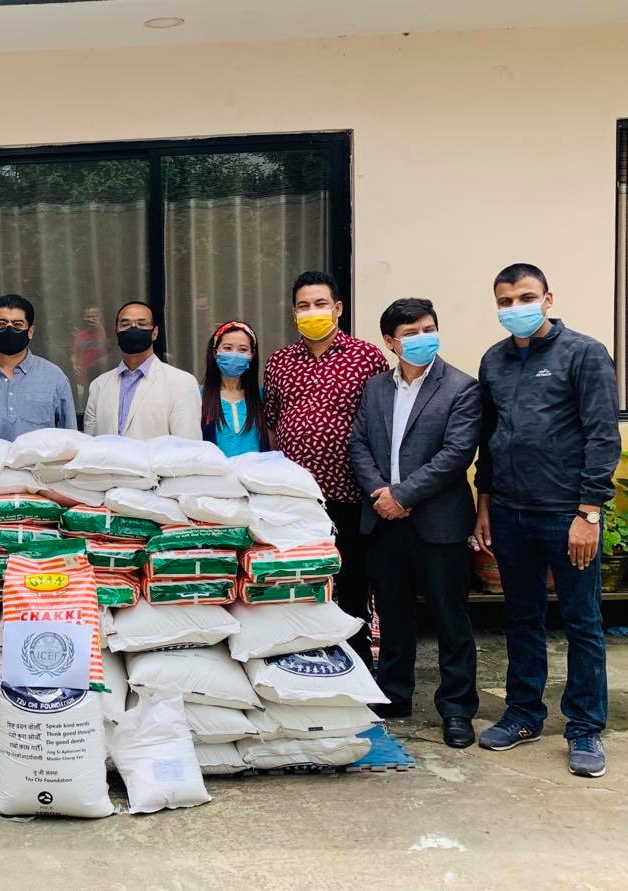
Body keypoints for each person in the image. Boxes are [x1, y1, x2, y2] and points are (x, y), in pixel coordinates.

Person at [472, 263, 618, 778]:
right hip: (510, 512)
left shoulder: (585, 353)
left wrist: (588, 513)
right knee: (521, 617)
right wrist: (484, 507)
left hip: (566, 513)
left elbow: (603, 435)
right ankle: (523, 715)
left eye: (526, 297)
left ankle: (584, 727)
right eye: (505, 301)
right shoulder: (493, 360)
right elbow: (488, 440)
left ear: (548, 299)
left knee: (582, 622)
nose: (516, 308)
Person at [348, 299, 480, 749]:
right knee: (393, 613)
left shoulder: (461, 387)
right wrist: (380, 494)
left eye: (429, 329)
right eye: (411, 333)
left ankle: (457, 708)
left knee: (450, 616)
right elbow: (359, 444)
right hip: (383, 521)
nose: (423, 338)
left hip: (437, 522)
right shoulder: (375, 388)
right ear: (390, 342)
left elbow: (456, 454)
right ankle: (394, 693)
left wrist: (402, 496)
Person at [264, 271, 389, 667]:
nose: (311, 311)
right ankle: (302, 659)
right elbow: (273, 424)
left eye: (320, 304)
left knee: (352, 583)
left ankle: (357, 662)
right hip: (296, 503)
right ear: (293, 313)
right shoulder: (280, 362)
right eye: (303, 305)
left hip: (351, 495)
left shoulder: (366, 357)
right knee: (301, 580)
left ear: (338, 308)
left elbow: (381, 420)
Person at [0, 294, 77, 440]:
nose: (9, 329)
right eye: (1, 324)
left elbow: (70, 440)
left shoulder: (54, 378)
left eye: (18, 324)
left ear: (30, 331)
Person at [83, 301, 201, 440]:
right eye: (125, 324)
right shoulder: (98, 386)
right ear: (116, 332)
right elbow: (90, 444)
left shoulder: (182, 383)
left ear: (155, 333)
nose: (134, 328)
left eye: (142, 324)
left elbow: (187, 446)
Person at [200, 320, 267, 457]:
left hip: (255, 470)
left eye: (243, 349)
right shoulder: (197, 395)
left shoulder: (261, 396)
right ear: (215, 352)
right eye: (227, 348)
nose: (234, 354)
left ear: (252, 355)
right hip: (214, 470)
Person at [70, 305, 108, 400]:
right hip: (83, 381)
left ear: (100, 317)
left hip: (102, 380)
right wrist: (74, 364)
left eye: (94, 317)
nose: (91, 319)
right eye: (89, 316)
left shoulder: (104, 333)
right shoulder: (79, 335)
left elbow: (108, 351)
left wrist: (100, 328)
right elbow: (74, 354)